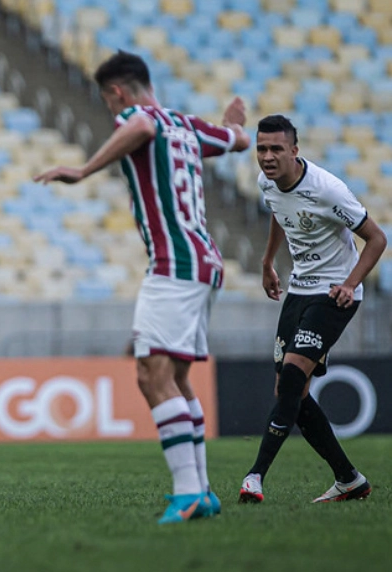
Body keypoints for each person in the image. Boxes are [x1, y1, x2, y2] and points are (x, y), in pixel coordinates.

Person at [34, 51, 250, 524]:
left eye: (108, 103)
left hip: (174, 265)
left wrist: (84, 170)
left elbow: (140, 129)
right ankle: (203, 492)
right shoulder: (187, 124)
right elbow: (239, 140)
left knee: (151, 376)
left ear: (117, 92)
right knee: (175, 378)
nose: (113, 114)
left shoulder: (140, 116)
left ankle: (188, 494)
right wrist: (233, 126)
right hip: (205, 262)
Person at [238, 115, 386, 504]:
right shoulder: (266, 182)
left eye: (276, 149)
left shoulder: (327, 190)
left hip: (334, 294)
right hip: (299, 289)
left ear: (294, 151)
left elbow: (376, 238)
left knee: (290, 381)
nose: (267, 157)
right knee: (292, 392)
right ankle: (349, 479)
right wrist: (268, 261)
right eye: (261, 149)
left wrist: (351, 284)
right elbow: (278, 212)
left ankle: (255, 476)